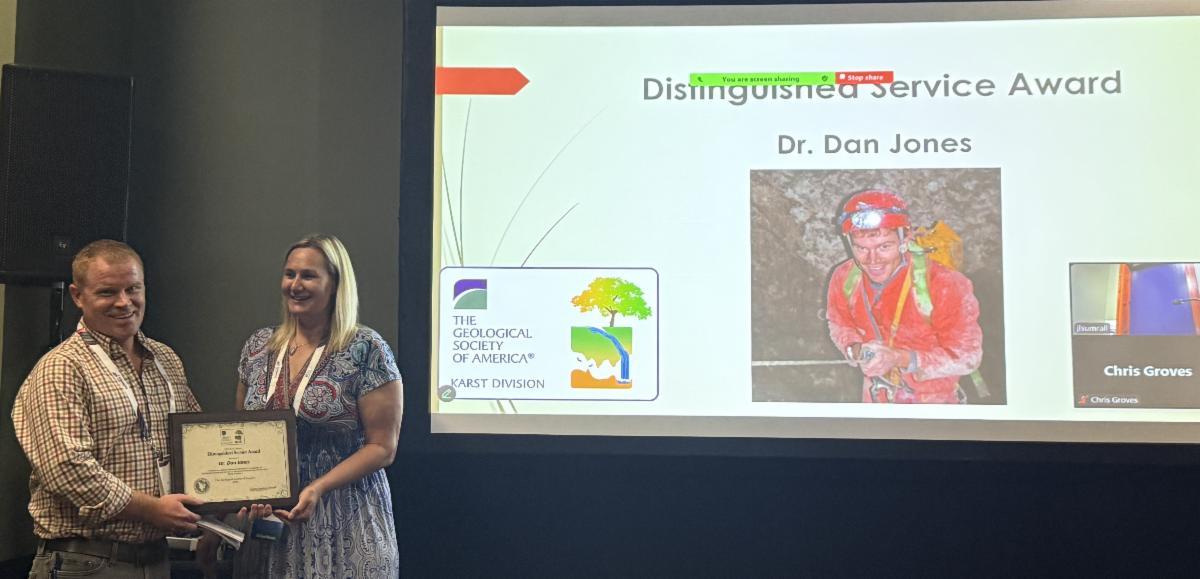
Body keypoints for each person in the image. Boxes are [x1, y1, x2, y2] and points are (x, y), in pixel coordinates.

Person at [12, 239, 203, 579]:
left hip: (156, 560)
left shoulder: (166, 360)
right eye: (107, 292)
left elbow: (197, 441)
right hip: (86, 562)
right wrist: (152, 509)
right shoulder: (61, 368)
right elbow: (67, 469)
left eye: (133, 289)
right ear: (77, 296)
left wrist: (240, 495)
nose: (124, 302)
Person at [234, 233, 402, 577]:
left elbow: (383, 447)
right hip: (271, 523)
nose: (295, 285)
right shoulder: (258, 346)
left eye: (308, 276)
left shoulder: (367, 349)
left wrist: (317, 487)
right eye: (290, 274)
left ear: (335, 284)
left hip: (345, 517)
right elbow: (239, 431)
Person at [825, 190, 983, 404]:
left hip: (932, 403)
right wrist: (855, 348)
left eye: (884, 246)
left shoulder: (943, 283)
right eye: (861, 248)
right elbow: (839, 323)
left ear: (904, 239)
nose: (872, 260)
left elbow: (967, 357)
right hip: (875, 396)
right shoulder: (845, 277)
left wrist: (900, 358)